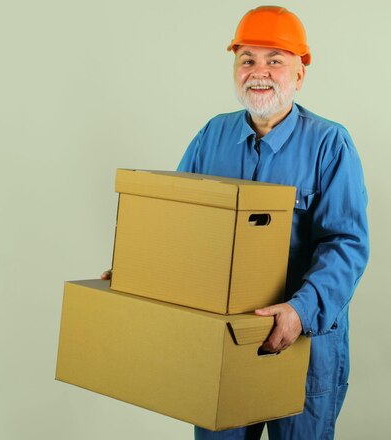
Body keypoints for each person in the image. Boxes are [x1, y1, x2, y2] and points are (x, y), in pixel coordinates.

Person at [103, 5, 368, 440]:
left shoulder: (330, 144)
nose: (258, 72)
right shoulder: (213, 135)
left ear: (299, 74)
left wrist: (300, 312)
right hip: (222, 341)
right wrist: (137, 272)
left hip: (303, 344)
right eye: (247, 59)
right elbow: (176, 220)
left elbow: (347, 243)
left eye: (274, 60)